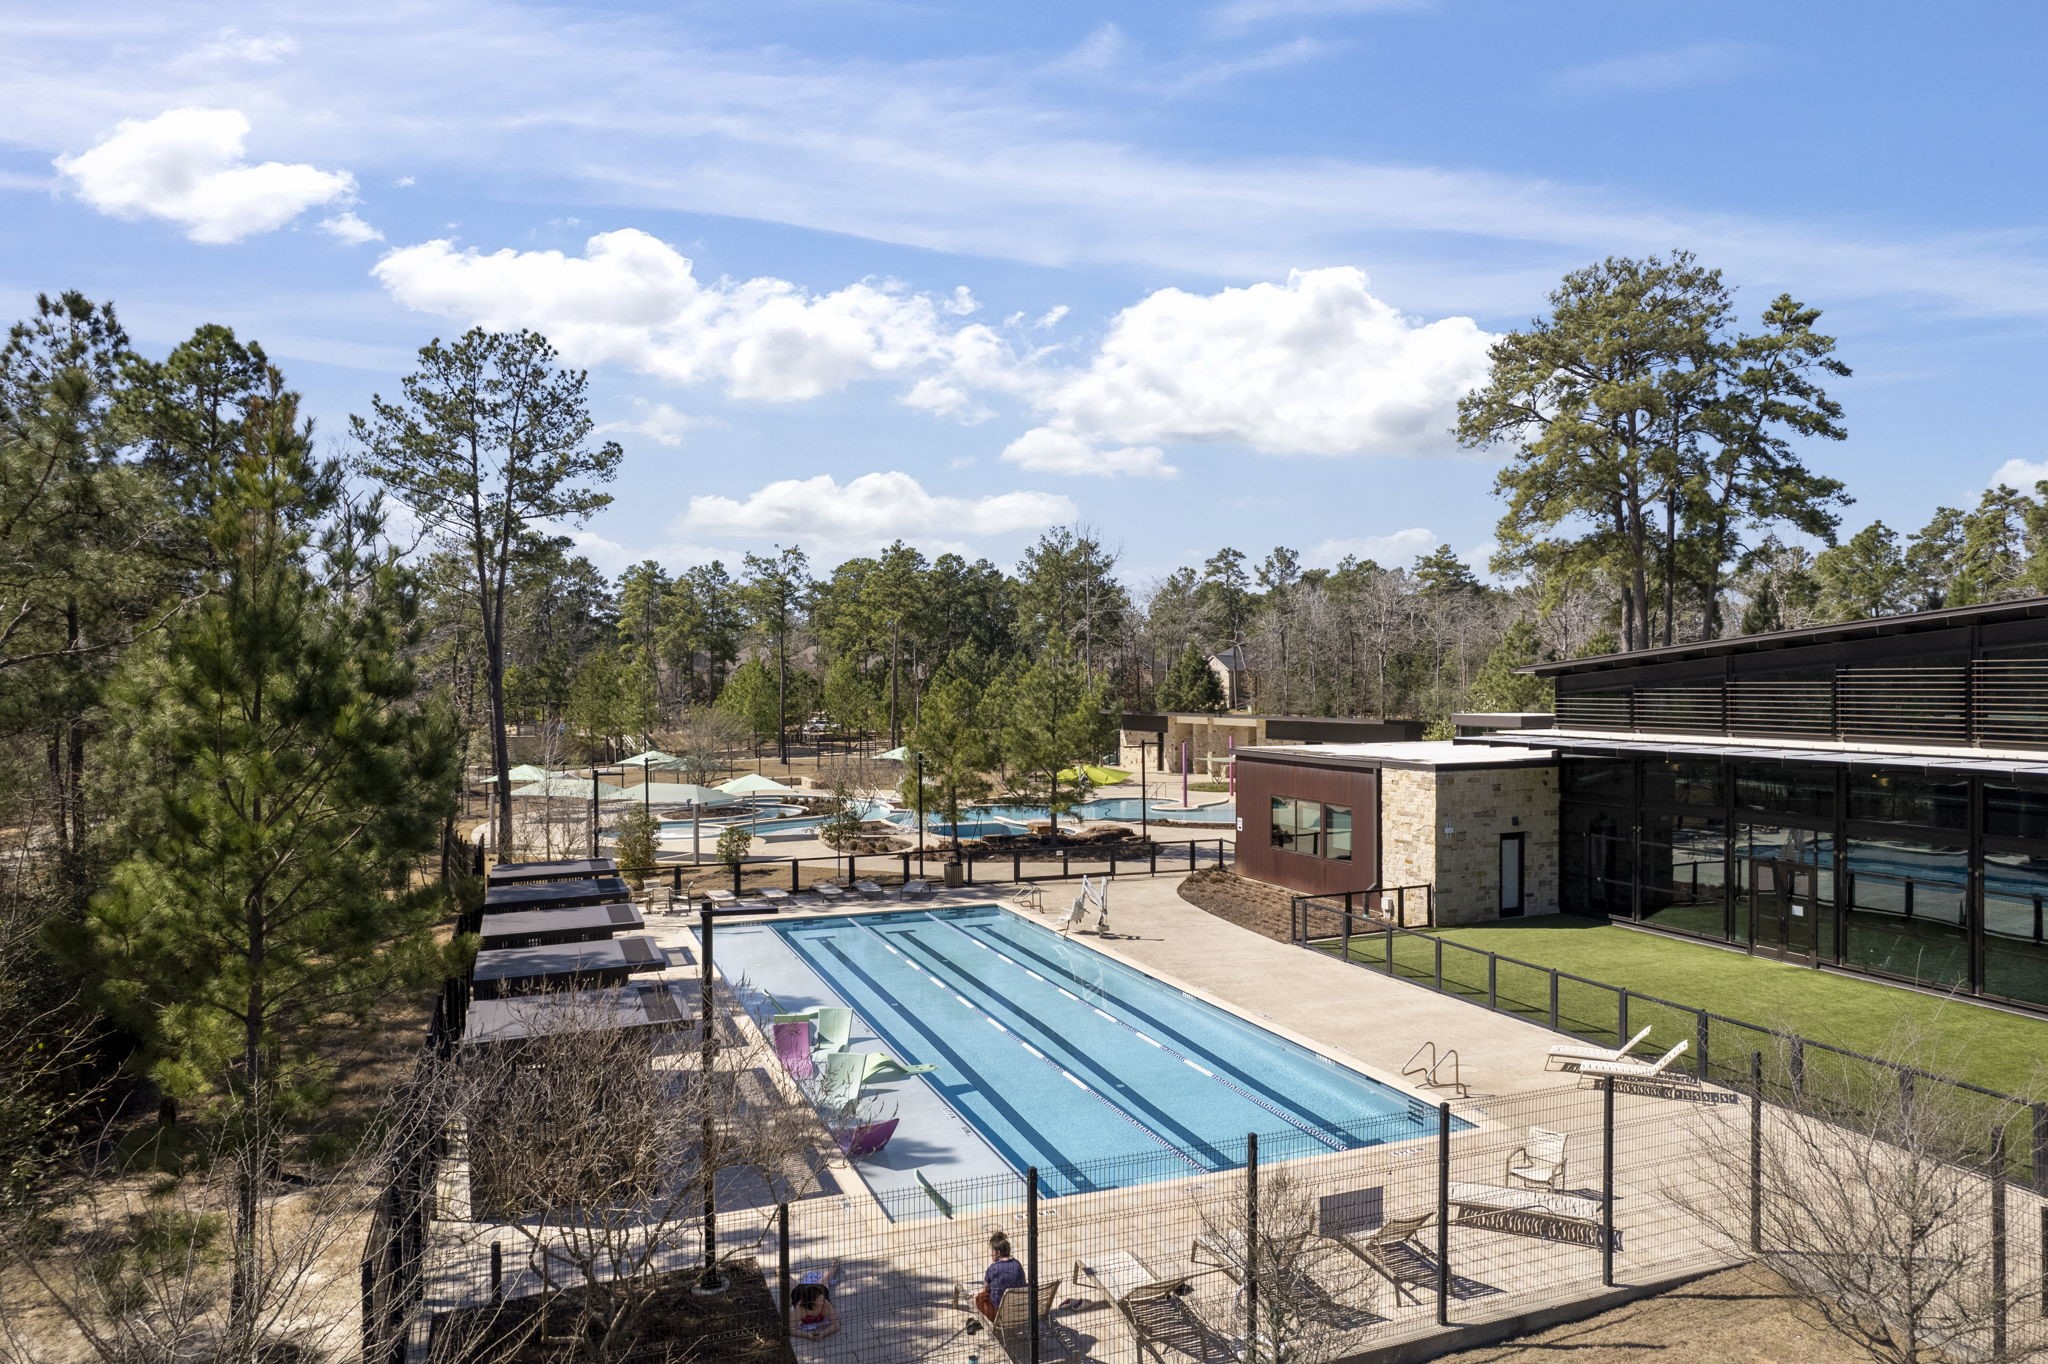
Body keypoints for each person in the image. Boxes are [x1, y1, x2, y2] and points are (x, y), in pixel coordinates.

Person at [973, 1231, 1027, 1321]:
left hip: (999, 1312)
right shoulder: (1017, 1264)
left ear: (998, 1252)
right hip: (1018, 1308)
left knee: (980, 1298)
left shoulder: (993, 1269)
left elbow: (986, 1289)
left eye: (992, 1251)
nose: (991, 1254)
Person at [790, 1263, 841, 1339]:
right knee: (792, 1284)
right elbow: (791, 1329)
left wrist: (823, 1333)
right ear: (812, 1302)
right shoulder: (801, 1307)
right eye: (820, 1300)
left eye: (823, 1299)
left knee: (824, 1280)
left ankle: (834, 1266)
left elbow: (837, 1325)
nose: (823, 1302)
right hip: (800, 1291)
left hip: (818, 1289)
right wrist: (807, 1335)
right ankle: (780, 1271)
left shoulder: (825, 1304)